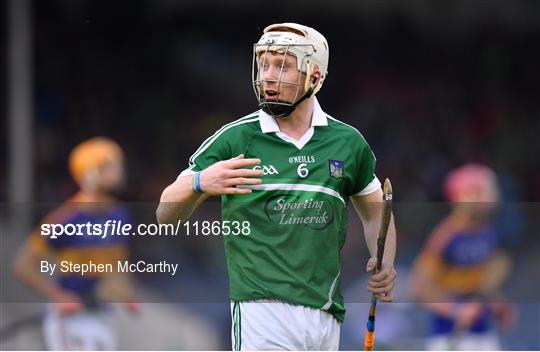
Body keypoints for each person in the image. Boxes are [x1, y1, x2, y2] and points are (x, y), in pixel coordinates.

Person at [157, 23, 397, 350]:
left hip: (325, 312)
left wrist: (385, 261)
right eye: (263, 64)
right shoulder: (236, 137)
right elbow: (165, 213)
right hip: (261, 309)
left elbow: (375, 214)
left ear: (315, 76)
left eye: (282, 65)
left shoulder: (347, 143)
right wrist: (200, 182)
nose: (268, 76)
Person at [12, 137, 139, 350]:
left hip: (102, 314)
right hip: (70, 320)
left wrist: (126, 295)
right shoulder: (65, 219)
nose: (118, 170)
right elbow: (23, 266)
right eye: (109, 165)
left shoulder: (120, 215)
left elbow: (117, 267)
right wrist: (59, 296)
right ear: (90, 172)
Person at [411, 163, 516, 350]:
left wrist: (497, 303)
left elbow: (481, 283)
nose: (492, 197)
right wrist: (456, 310)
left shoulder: (488, 232)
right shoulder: (446, 236)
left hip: (482, 332)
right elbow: (421, 289)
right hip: (449, 335)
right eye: (483, 191)